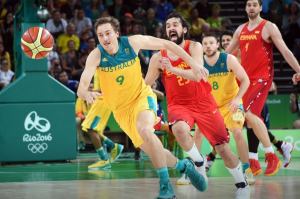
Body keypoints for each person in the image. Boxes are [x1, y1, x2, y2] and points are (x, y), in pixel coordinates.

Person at [77, 16, 209, 198]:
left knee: (146, 130)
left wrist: (194, 63)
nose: (105, 38)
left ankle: (166, 187)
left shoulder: (133, 43)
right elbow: (81, 88)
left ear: (116, 33)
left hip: (141, 97)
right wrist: (86, 93)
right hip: (121, 112)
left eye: (108, 33)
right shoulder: (96, 55)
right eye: (100, 35)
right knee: (154, 152)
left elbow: (168, 44)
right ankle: (184, 166)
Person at [144, 12, 250, 198]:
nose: (171, 28)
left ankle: (242, 183)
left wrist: (172, 68)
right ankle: (199, 163)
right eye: (168, 25)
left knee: (223, 149)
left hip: (204, 102)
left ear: (184, 29)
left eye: (175, 24)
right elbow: (144, 84)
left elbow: (197, 75)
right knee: (179, 129)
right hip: (179, 104)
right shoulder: (157, 58)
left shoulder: (194, 46)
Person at [225, 0, 300, 176]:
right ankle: (274, 150)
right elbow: (225, 54)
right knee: (249, 119)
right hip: (245, 80)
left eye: (254, 4)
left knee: (249, 114)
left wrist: (298, 70)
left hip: (262, 78)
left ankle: (271, 156)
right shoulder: (240, 30)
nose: (251, 7)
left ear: (260, 8)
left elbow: (286, 51)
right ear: (245, 8)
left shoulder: (269, 27)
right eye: (248, 4)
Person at [191, 32, 255, 185]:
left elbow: (245, 80)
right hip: (210, 107)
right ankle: (194, 170)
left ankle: (247, 171)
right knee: (198, 133)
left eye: (211, 43)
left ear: (217, 45)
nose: (208, 46)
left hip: (232, 105)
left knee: (238, 133)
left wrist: (237, 98)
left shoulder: (229, 59)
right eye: (205, 43)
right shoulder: (198, 64)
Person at [81, 72, 124, 169]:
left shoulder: (104, 65)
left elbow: (108, 87)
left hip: (102, 102)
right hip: (100, 101)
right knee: (94, 130)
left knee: (91, 129)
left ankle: (103, 160)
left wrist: (91, 92)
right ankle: (113, 146)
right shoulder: (98, 65)